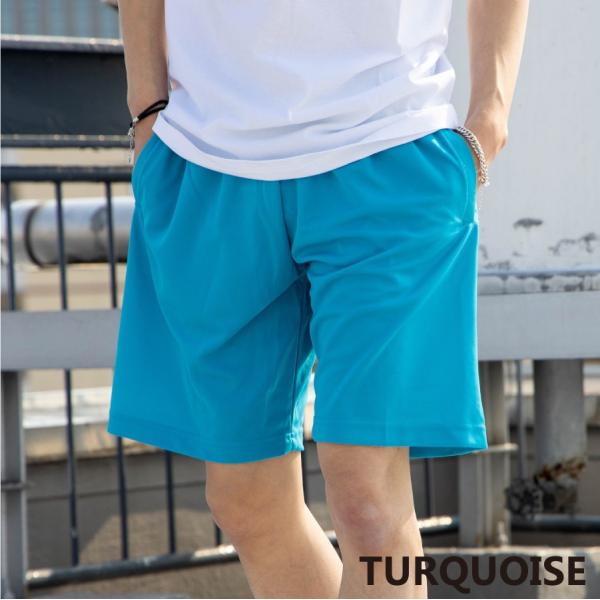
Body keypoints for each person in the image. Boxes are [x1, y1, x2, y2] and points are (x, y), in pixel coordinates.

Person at [108, 1, 529, 597]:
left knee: (367, 497)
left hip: (390, 146)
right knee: (242, 498)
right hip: (207, 154)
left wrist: (491, 114)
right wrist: (146, 109)